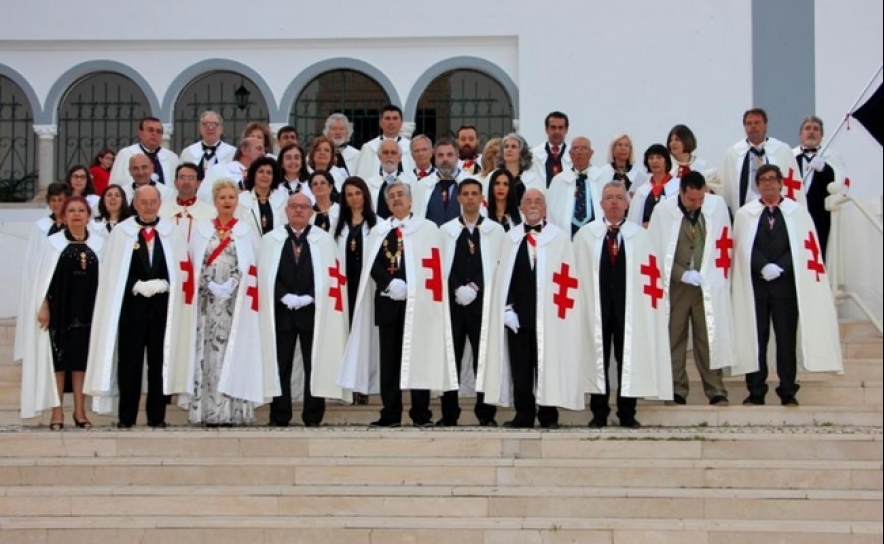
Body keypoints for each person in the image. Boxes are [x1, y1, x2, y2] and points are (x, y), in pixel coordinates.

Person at [339, 180, 457, 427]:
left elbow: (435, 266)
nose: (396, 199)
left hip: (420, 307)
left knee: (419, 359)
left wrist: (413, 288)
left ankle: (421, 414)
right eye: (391, 196)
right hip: (388, 303)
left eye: (401, 194)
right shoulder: (378, 231)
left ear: (411, 199)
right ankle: (390, 413)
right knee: (389, 363)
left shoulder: (427, 229)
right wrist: (388, 284)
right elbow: (371, 263)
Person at [731, 164, 842, 406]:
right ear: (757, 184)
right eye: (763, 180)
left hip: (785, 288)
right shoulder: (745, 214)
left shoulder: (796, 212)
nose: (768, 183)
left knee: (785, 340)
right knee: (756, 340)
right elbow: (741, 246)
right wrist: (762, 266)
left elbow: (804, 246)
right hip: (756, 289)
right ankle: (756, 391)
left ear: (781, 183)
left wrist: (781, 266)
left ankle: (788, 390)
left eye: (772, 179)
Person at [84, 185, 194, 428]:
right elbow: (113, 272)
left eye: (152, 202)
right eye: (143, 202)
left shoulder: (171, 232)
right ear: (134, 203)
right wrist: (134, 285)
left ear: (159, 203)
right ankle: (127, 417)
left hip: (162, 309)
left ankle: (157, 417)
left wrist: (166, 282)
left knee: (159, 364)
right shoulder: (122, 232)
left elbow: (181, 268)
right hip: (131, 310)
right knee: (129, 365)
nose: (148, 206)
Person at [481, 189, 584, 429]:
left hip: (549, 316)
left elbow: (568, 277)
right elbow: (502, 276)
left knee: (548, 364)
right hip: (519, 316)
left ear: (545, 208)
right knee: (521, 367)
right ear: (521, 208)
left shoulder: (558, 238)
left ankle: (549, 415)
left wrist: (560, 312)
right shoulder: (510, 238)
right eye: (528, 201)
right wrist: (506, 308)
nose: (533, 205)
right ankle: (523, 413)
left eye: (538, 201)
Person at [574, 181, 672, 428]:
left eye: (619, 197)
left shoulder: (639, 236)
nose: (614, 202)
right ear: (601, 204)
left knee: (628, 360)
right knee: (598, 360)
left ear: (627, 204)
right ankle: (599, 412)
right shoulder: (586, 236)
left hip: (629, 310)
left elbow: (651, 275)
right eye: (609, 198)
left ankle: (627, 412)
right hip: (597, 310)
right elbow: (575, 274)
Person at [259, 192, 351, 426]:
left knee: (315, 364)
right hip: (282, 312)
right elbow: (266, 274)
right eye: (294, 206)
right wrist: (283, 296)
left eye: (304, 207)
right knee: (281, 365)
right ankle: (279, 415)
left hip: (314, 312)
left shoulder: (323, 240)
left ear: (311, 212)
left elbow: (331, 274)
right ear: (286, 210)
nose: (299, 210)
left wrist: (310, 296)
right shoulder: (272, 239)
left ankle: (313, 415)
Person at [647, 171, 735, 406]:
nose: (696, 204)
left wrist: (710, 274)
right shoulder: (663, 211)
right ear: (681, 192)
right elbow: (656, 251)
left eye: (700, 199)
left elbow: (724, 242)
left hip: (706, 286)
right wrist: (681, 273)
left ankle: (716, 389)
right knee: (674, 338)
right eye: (691, 200)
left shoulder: (716, 207)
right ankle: (676, 389)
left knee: (708, 339)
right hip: (676, 286)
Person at [184, 180, 267, 426]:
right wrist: (208, 282)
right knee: (208, 356)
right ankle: (208, 411)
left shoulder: (245, 230)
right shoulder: (201, 230)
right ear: (215, 200)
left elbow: (253, 264)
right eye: (223, 197)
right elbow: (193, 263)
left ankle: (234, 411)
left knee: (234, 353)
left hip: (236, 305)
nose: (227, 201)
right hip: (207, 304)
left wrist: (233, 282)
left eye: (231, 197)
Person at [20, 196, 104, 427]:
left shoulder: (100, 244)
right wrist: (43, 305)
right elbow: (43, 280)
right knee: (58, 362)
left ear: (88, 215)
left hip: (89, 311)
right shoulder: (53, 243)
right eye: (71, 211)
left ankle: (80, 411)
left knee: (81, 362)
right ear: (64, 216)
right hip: (60, 310)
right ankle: (57, 412)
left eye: (81, 210)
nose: (76, 214)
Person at [438, 178, 505, 426]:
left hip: (482, 304)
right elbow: (442, 264)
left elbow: (497, 263)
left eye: (474, 194)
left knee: (483, 358)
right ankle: (449, 413)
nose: (469, 198)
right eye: (464, 194)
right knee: (451, 357)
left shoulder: (495, 231)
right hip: (453, 304)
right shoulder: (446, 231)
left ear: (481, 198)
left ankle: (485, 413)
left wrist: (475, 286)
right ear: (458, 199)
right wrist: (457, 287)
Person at [333, 176, 379, 405]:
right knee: (346, 334)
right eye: (349, 194)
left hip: (367, 287)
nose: (354, 198)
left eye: (357, 193)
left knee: (365, 336)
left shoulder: (377, 224)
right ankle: (346, 385)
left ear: (365, 195)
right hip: (344, 286)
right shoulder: (338, 225)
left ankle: (364, 385)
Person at [14, 182, 71, 365]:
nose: (57, 204)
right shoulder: (41, 227)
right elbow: (34, 261)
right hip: (47, 287)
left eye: (61, 199)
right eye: (53, 200)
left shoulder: (76, 225)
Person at [720, 108, 803, 214]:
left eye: (757, 123)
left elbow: (794, 184)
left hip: (776, 213)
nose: (753, 126)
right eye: (749, 123)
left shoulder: (782, 150)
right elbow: (728, 189)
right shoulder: (733, 154)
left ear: (766, 126)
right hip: (746, 212)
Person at [793, 115, 848, 260]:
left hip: (821, 218)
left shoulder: (831, 157)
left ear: (822, 135)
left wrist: (825, 168)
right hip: (795, 214)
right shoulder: (790, 157)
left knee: (818, 255)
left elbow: (840, 182)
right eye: (808, 128)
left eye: (816, 129)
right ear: (800, 134)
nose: (811, 132)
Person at [546, 136, 605, 237]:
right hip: (567, 236)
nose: (580, 152)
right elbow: (550, 213)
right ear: (570, 154)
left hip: (595, 235)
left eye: (584, 148)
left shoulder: (603, 179)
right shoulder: (558, 181)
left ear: (591, 153)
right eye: (576, 148)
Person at [109, 116, 179, 186]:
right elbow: (115, 185)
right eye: (150, 130)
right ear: (140, 133)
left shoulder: (172, 158)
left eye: (158, 131)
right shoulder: (126, 154)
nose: (154, 134)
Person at [412, 138, 467, 225]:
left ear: (457, 157)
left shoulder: (470, 183)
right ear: (435, 158)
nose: (445, 159)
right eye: (440, 155)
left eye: (449, 155)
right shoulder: (422, 186)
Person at [354, 104, 414, 178]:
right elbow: (362, 176)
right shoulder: (369, 148)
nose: (391, 122)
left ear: (401, 122)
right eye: (387, 118)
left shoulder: (411, 147)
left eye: (395, 118)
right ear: (380, 123)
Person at [628, 144, 680, 228]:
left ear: (666, 161)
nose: (655, 161)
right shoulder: (641, 191)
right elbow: (633, 218)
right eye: (651, 158)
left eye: (659, 157)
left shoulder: (678, 187)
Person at [160, 162, 215, 242]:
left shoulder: (211, 212)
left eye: (191, 178)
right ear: (175, 183)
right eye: (182, 177)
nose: (186, 182)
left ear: (198, 184)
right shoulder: (162, 210)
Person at [199, 137, 266, 202]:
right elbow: (204, 197)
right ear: (245, 150)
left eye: (264, 150)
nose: (263, 154)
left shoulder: (264, 177)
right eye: (259, 149)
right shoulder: (219, 170)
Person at [238, 156, 285, 239]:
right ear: (253, 174)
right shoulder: (241, 200)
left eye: (269, 173)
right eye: (261, 172)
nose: (265, 175)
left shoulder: (284, 199)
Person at [179, 111, 236, 178]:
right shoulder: (188, 153)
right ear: (200, 129)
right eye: (206, 124)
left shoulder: (233, 153)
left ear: (221, 130)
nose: (210, 128)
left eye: (215, 124)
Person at [667, 124, 721, 191]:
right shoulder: (666, 165)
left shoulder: (702, 165)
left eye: (677, 140)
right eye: (671, 140)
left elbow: (716, 187)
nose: (673, 143)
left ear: (686, 140)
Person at [497, 133, 543, 204]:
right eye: (506, 146)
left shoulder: (534, 179)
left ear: (522, 152)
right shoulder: (493, 176)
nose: (509, 149)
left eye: (514, 147)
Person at [364, 138, 404, 220]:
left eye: (393, 153)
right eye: (385, 152)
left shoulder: (409, 182)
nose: (389, 156)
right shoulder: (369, 183)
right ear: (379, 157)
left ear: (399, 158)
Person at [531, 111, 571, 186]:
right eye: (553, 127)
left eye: (560, 127)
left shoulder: (573, 154)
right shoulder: (534, 154)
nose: (557, 131)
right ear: (546, 129)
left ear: (566, 130)